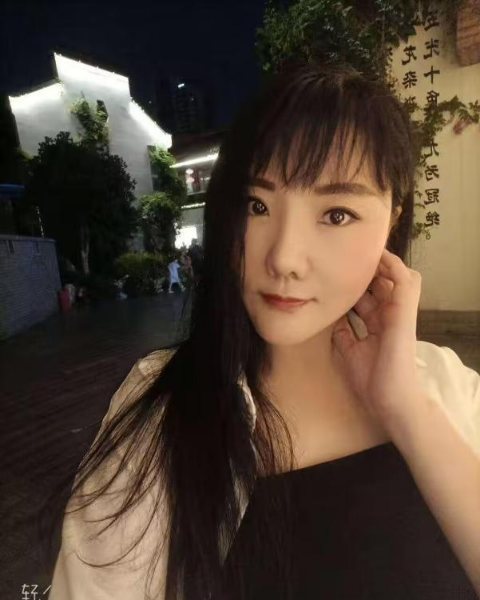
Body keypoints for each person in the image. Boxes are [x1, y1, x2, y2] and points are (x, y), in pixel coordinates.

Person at [48, 61, 480, 600]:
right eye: (256, 205)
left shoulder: (448, 386)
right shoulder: (161, 412)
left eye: (337, 214)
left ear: (392, 218)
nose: (283, 258)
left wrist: (407, 408)